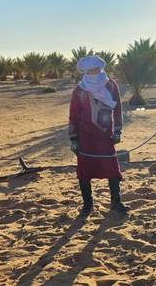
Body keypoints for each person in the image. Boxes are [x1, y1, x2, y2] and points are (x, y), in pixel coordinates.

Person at [68, 55, 128, 215]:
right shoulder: (79, 90)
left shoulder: (111, 86)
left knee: (112, 170)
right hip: (85, 138)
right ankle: (87, 205)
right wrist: (73, 139)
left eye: (96, 69)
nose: (94, 73)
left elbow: (118, 110)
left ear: (100, 68)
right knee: (84, 172)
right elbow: (73, 115)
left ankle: (116, 203)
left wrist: (117, 131)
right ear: (86, 72)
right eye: (90, 70)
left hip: (106, 137)